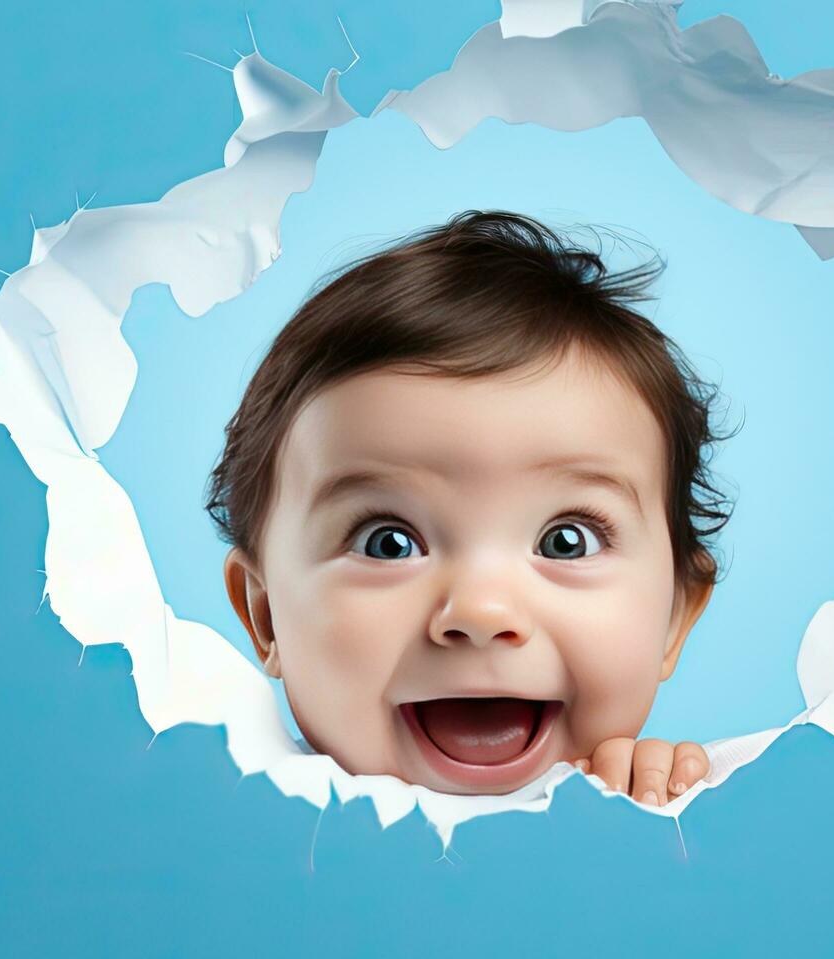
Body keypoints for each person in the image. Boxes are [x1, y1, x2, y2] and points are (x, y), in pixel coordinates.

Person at [206, 210, 733, 805]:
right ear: (267, 616)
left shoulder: (668, 809)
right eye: (389, 542)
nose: (481, 612)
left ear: (672, 619)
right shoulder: (226, 817)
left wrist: (659, 806)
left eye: (567, 540)